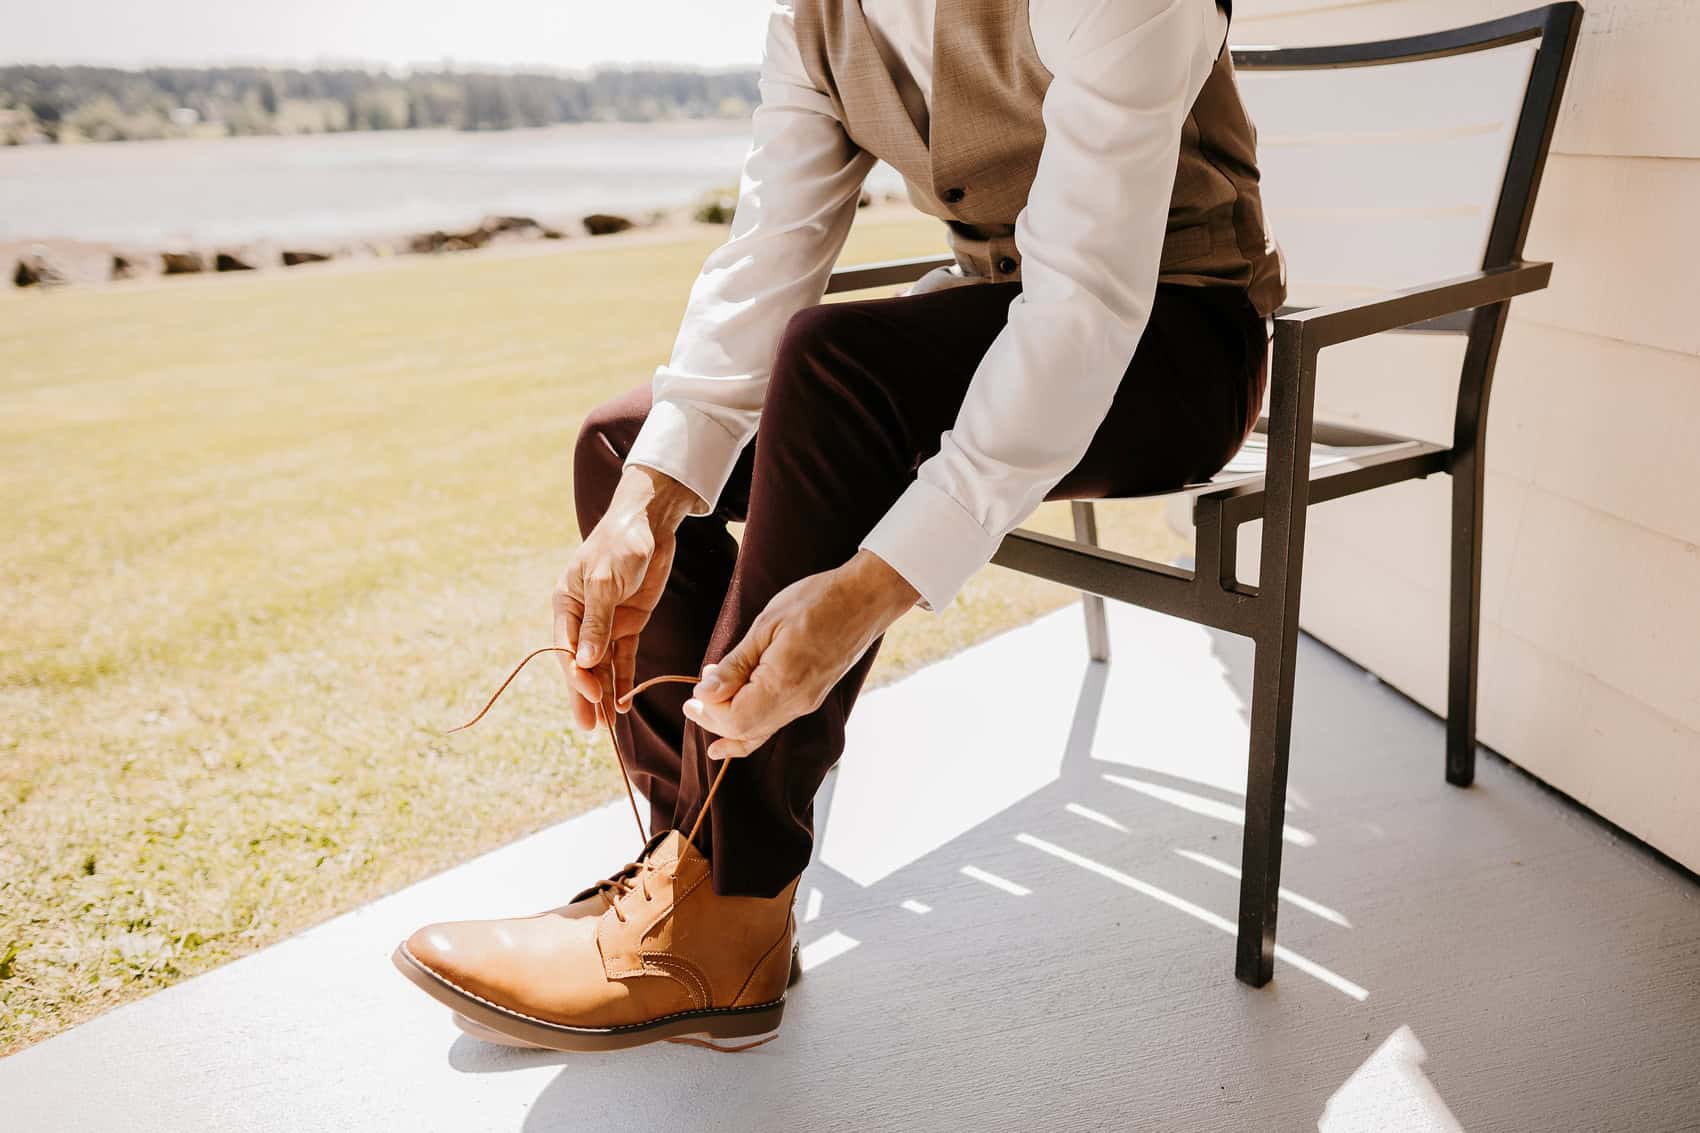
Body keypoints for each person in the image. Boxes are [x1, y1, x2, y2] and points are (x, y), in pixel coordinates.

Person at [393, 0, 1284, 1051]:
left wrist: (872, 585)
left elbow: (1084, 301)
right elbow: (774, 243)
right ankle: (696, 868)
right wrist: (647, 497)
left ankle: (728, 893)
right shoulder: (814, 15)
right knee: (620, 444)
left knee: (835, 364)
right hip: (998, 312)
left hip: (1174, 341)